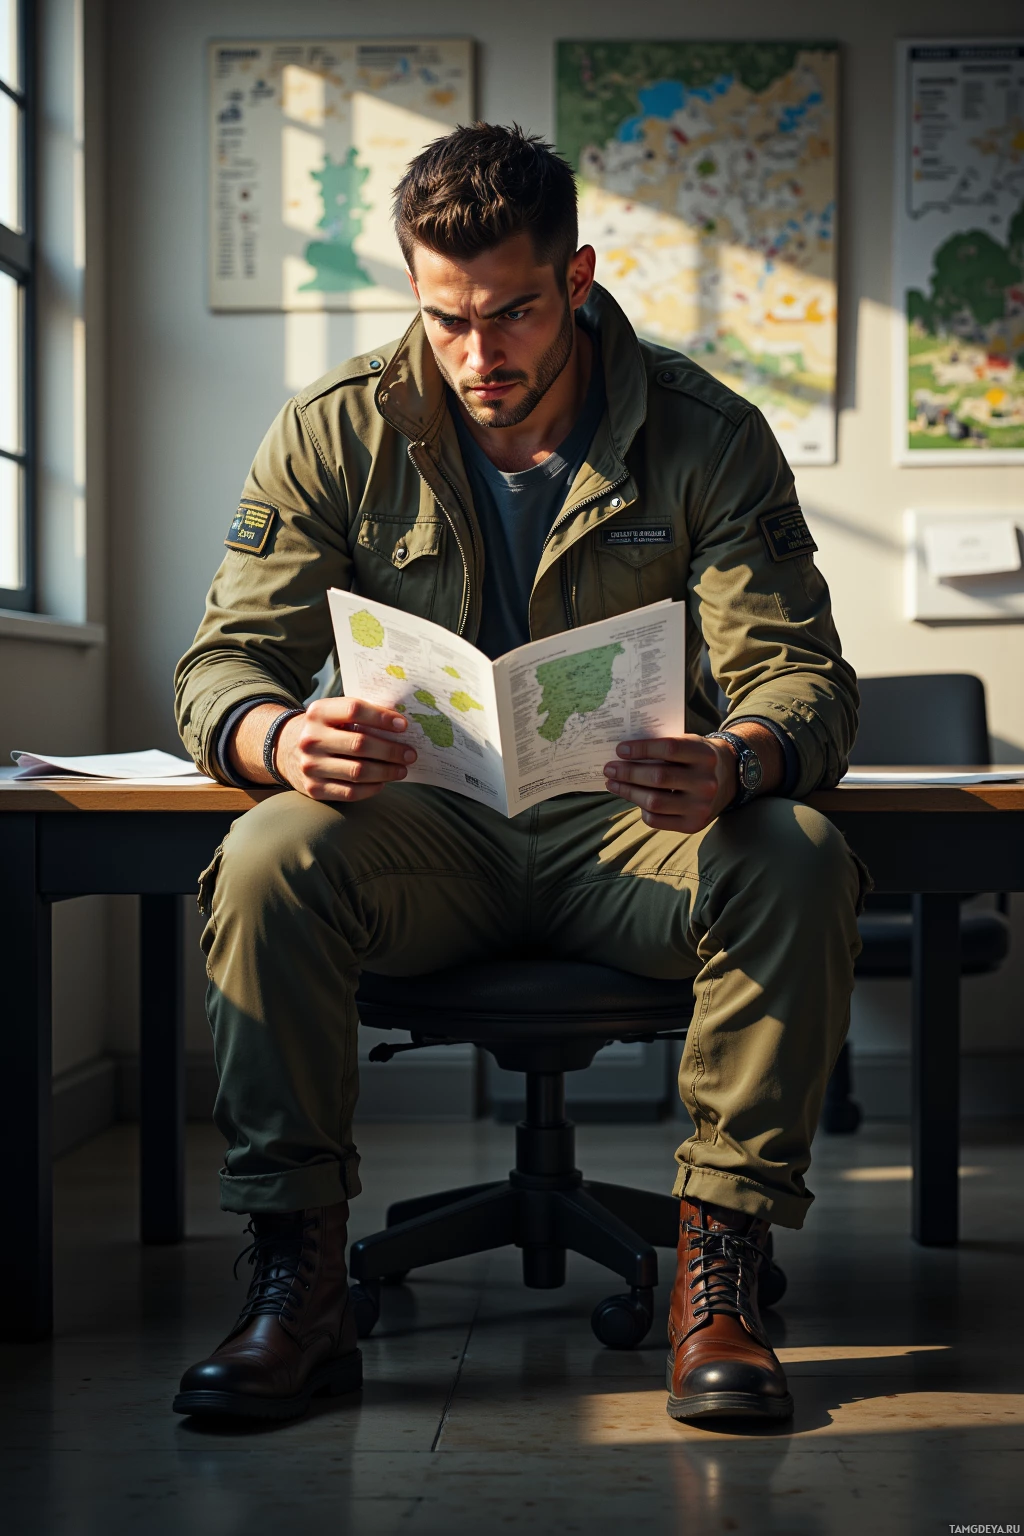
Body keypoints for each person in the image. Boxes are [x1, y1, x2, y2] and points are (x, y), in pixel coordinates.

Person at [172, 124, 865, 1426]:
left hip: (631, 842)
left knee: (799, 852)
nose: (480, 356)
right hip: (425, 842)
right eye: (446, 319)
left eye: (513, 314)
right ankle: (298, 1286)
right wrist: (279, 738)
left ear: (580, 278)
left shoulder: (707, 435)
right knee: (268, 851)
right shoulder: (336, 434)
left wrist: (739, 756)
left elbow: (804, 683)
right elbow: (218, 668)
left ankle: (720, 1274)